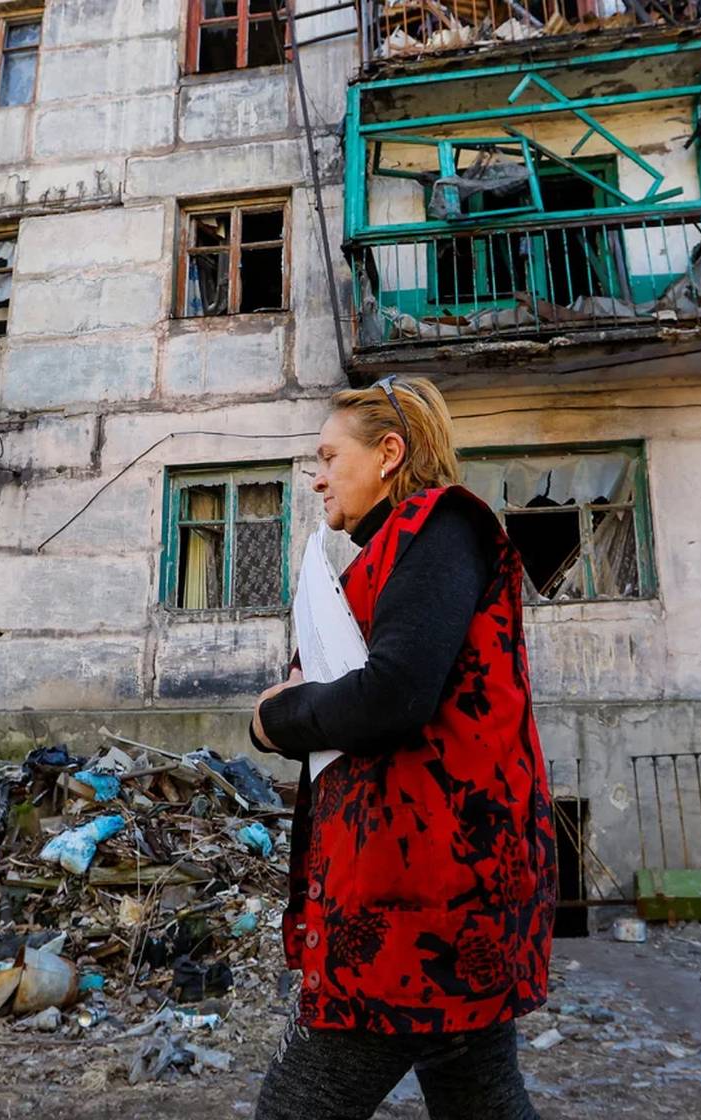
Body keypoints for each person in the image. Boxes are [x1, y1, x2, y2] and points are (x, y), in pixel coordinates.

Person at [249, 375, 556, 1119]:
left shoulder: (441, 527)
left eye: (328, 455)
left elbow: (392, 695)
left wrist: (274, 720)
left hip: (420, 901)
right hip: (428, 881)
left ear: (390, 453)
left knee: (298, 1107)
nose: (317, 477)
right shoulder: (387, 554)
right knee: (478, 1095)